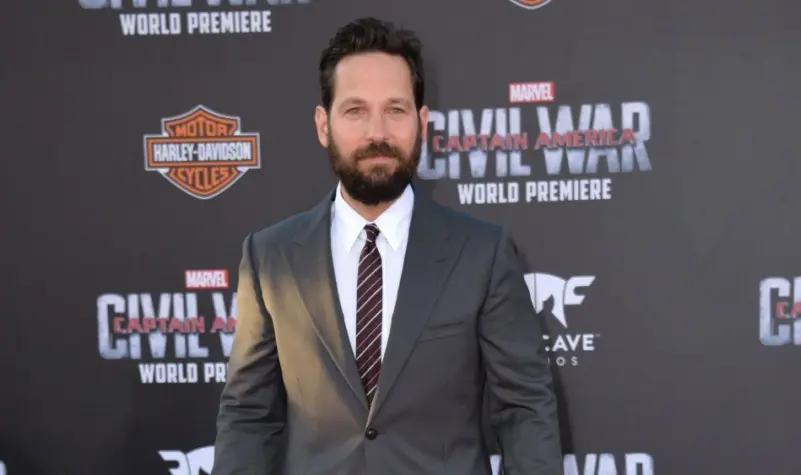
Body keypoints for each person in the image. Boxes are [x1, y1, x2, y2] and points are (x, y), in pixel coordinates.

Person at [212, 16, 563, 475]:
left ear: (421, 122)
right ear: (323, 124)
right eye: (355, 110)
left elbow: (524, 408)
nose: (377, 132)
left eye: (395, 110)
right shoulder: (270, 257)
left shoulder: (482, 252)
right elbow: (248, 416)